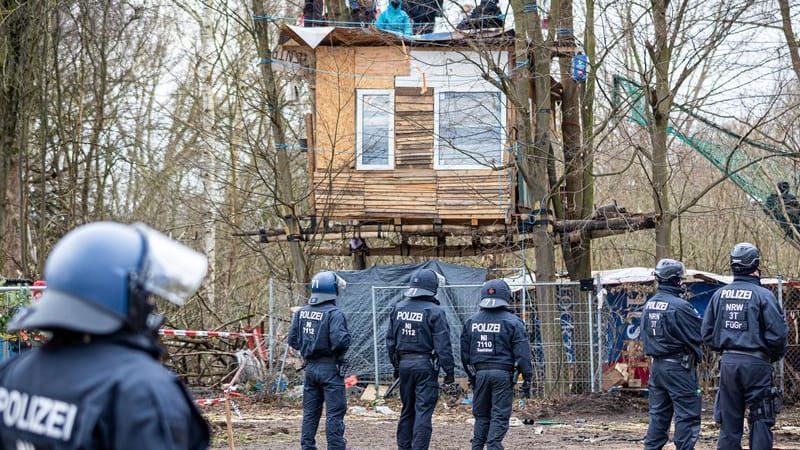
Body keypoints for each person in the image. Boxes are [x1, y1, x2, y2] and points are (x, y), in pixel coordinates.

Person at [0, 221, 210, 449]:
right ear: (119, 292)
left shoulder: (14, 374)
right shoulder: (140, 391)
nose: (150, 303)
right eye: (147, 293)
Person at [702, 243, 789, 450]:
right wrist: (770, 356)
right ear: (756, 265)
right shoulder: (764, 295)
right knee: (760, 419)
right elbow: (778, 335)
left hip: (729, 364)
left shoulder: (719, 295)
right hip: (757, 364)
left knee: (729, 422)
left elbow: (706, 334)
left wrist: (726, 349)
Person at [386, 268, 455, 450]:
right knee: (423, 411)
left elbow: (390, 342)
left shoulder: (397, 308)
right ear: (432, 287)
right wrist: (449, 373)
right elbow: (443, 346)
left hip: (404, 365)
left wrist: (396, 367)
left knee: (407, 409)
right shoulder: (435, 311)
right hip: (425, 366)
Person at [461, 279, 532, 450]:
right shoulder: (513, 322)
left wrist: (472, 376)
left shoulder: (472, 321)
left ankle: (477, 446)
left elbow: (464, 354)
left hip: (480, 374)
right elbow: (522, 354)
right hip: (503, 375)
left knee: (481, 415)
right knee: (499, 416)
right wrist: (527, 377)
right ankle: (493, 445)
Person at [641, 258, 703, 450]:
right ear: (676, 281)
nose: (683, 283)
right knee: (687, 416)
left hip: (658, 368)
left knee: (658, 416)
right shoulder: (681, 306)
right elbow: (700, 334)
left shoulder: (649, 304)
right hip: (679, 368)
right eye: (681, 279)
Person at [289, 271, 352, 450]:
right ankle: (336, 447)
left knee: (310, 413)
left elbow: (293, 340)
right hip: (330, 368)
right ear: (332, 290)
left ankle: (307, 446)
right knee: (334, 414)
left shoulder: (301, 313)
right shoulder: (334, 313)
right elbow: (340, 342)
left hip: (310, 369)